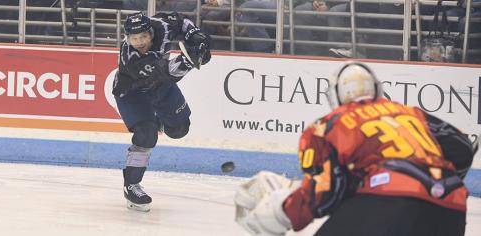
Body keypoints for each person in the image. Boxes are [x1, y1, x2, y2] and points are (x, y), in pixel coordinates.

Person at [234, 61, 476, 236]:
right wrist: (431, 184)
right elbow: (464, 148)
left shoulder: (327, 126)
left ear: (336, 96)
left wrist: (284, 209)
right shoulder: (411, 113)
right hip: (451, 207)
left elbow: (328, 191)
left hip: (387, 203)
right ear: (377, 89)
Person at [112, 11, 211, 212]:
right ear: (127, 38)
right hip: (132, 94)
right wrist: (192, 58)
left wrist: (195, 36)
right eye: (134, 39)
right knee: (147, 135)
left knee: (180, 130)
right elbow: (166, 71)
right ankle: (131, 184)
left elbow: (181, 21)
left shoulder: (161, 26)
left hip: (161, 87)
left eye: (143, 37)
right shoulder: (130, 57)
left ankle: (157, 117)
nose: (139, 42)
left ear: (151, 33)